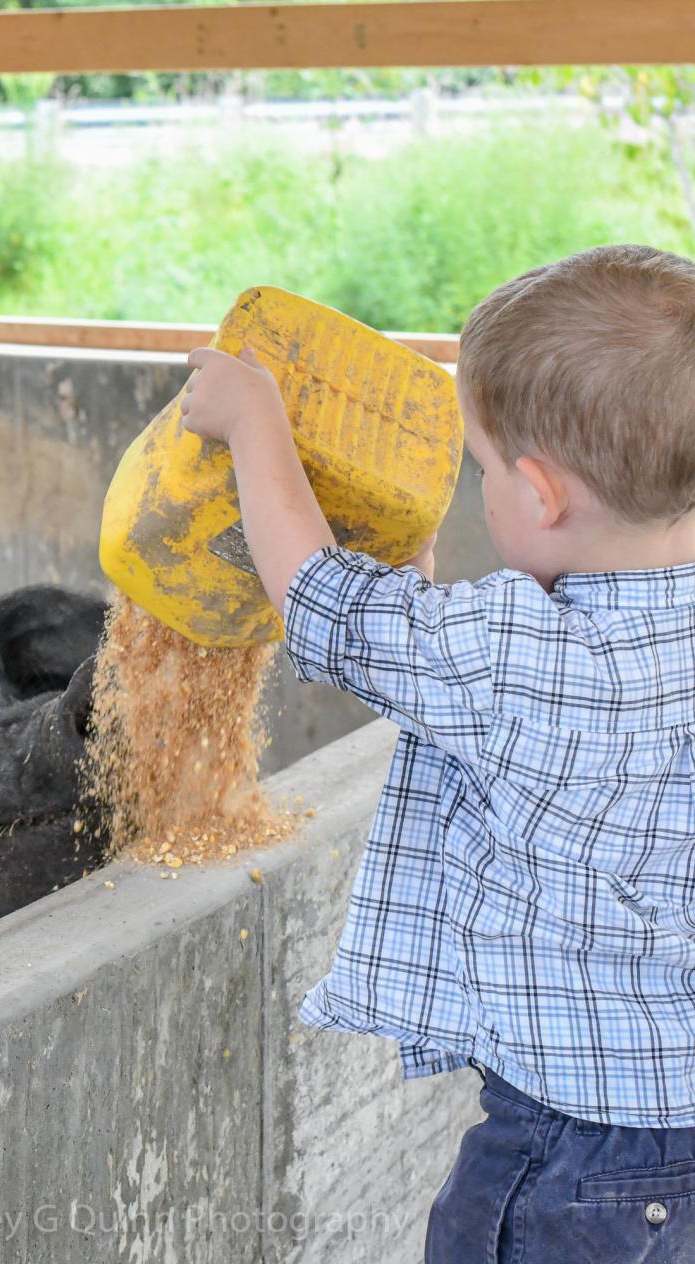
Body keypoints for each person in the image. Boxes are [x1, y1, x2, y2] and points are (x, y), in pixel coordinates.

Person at [179, 244, 695, 1262]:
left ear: (542, 495)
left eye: (485, 469)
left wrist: (253, 424)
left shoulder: (521, 653)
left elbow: (324, 604)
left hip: (569, 1155)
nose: (481, 491)